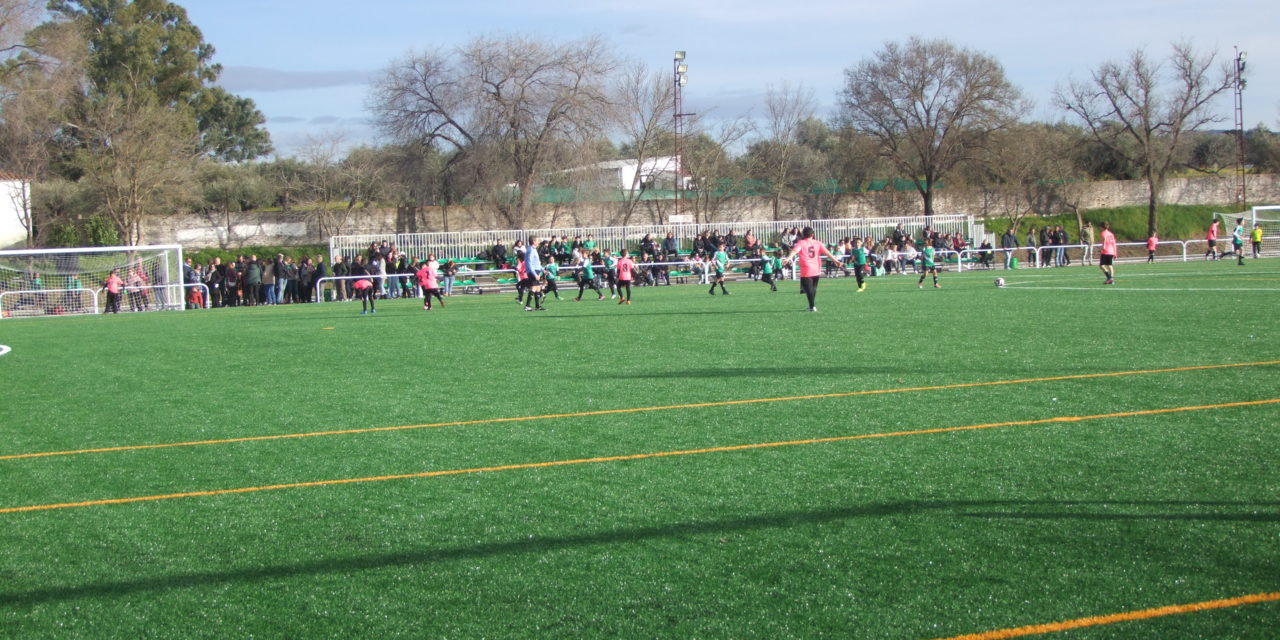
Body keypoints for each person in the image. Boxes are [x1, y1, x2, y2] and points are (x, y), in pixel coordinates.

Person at [784, 227, 840, 312]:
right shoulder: (817, 243)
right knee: (813, 288)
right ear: (812, 235)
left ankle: (812, 306)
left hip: (806, 268)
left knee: (809, 288)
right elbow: (827, 252)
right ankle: (811, 305)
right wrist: (835, 260)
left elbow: (794, 251)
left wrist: (787, 259)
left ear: (803, 235)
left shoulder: (801, 243)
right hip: (816, 267)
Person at [521, 236, 546, 311]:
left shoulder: (533, 249)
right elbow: (529, 263)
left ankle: (537, 306)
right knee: (534, 288)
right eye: (537, 240)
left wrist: (542, 269)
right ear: (533, 241)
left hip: (536, 270)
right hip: (533, 271)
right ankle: (527, 306)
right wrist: (534, 274)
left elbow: (536, 263)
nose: (538, 242)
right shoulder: (531, 250)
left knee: (538, 288)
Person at [1099, 220, 1117, 285]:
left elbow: (1104, 241)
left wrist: (1102, 249)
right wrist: (1115, 253)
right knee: (1110, 265)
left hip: (1105, 251)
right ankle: (1111, 279)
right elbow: (1114, 243)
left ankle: (1109, 278)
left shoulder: (1103, 233)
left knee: (1101, 266)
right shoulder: (1111, 234)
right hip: (1111, 251)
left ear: (1102, 227)